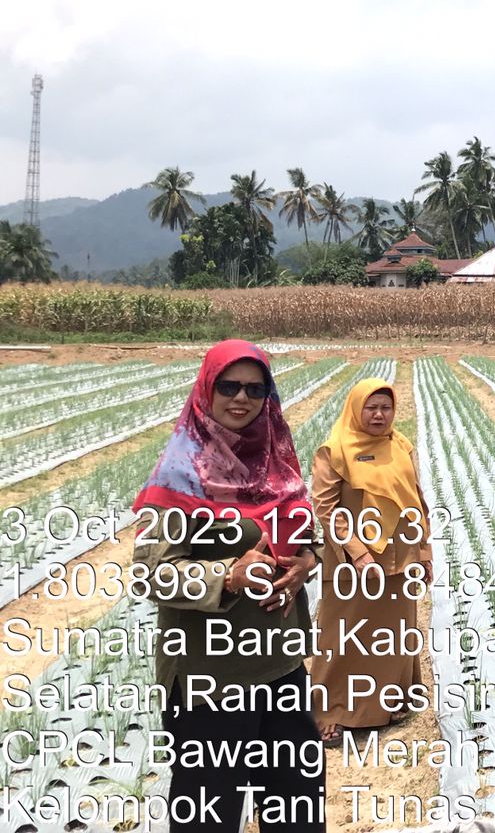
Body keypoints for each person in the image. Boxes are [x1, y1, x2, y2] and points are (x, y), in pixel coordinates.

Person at [131, 339, 324, 833]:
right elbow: (151, 572)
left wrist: (307, 561)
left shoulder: (274, 459)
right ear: (207, 389)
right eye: (229, 386)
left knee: (297, 804)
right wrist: (227, 576)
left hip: (280, 665)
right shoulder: (181, 473)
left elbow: (305, 531)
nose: (242, 398)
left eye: (255, 389)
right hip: (211, 679)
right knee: (209, 812)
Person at [309, 377, 432, 741]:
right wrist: (359, 553)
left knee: (394, 634)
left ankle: (390, 701)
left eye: (386, 408)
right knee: (343, 634)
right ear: (356, 408)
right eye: (371, 407)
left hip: (400, 557)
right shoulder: (334, 451)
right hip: (353, 563)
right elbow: (326, 508)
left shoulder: (401, 446)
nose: (379, 415)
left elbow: (416, 501)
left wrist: (424, 553)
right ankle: (331, 710)